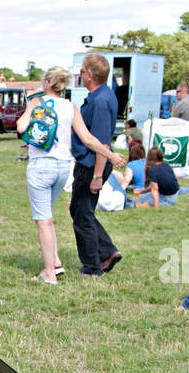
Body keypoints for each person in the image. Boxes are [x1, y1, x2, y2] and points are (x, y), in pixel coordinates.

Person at [16, 65, 125, 283]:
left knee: (43, 220)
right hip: (64, 167)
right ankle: (55, 259)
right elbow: (88, 139)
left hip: (41, 166)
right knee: (46, 213)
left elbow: (20, 127)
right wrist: (110, 155)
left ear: (47, 82)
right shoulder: (71, 107)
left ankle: (49, 272)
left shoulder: (37, 102)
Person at [67, 53, 123, 277]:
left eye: (82, 71)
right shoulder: (102, 95)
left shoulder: (100, 101)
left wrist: (97, 175)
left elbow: (101, 142)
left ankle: (92, 266)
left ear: (90, 75)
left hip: (92, 164)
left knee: (83, 216)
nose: (80, 74)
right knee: (80, 211)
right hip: (91, 163)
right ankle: (107, 251)